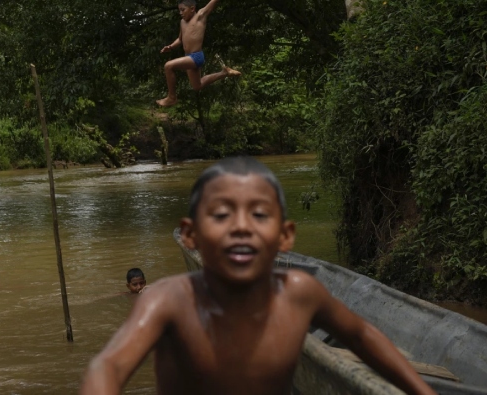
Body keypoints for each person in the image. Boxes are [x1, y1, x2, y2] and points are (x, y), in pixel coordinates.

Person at [80, 157, 437, 395]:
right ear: (191, 235)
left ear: (284, 236)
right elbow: (109, 365)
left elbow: (362, 335)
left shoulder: (299, 292)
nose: (240, 228)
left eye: (259, 215)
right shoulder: (168, 300)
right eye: (221, 215)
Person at [156, 0, 242, 107]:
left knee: (168, 66)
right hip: (188, 57)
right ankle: (224, 73)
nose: (180, 13)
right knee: (197, 86)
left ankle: (172, 98)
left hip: (196, 57)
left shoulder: (200, 16)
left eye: (183, 10)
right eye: (179, 10)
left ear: (192, 9)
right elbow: (180, 39)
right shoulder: (182, 22)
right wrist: (171, 46)